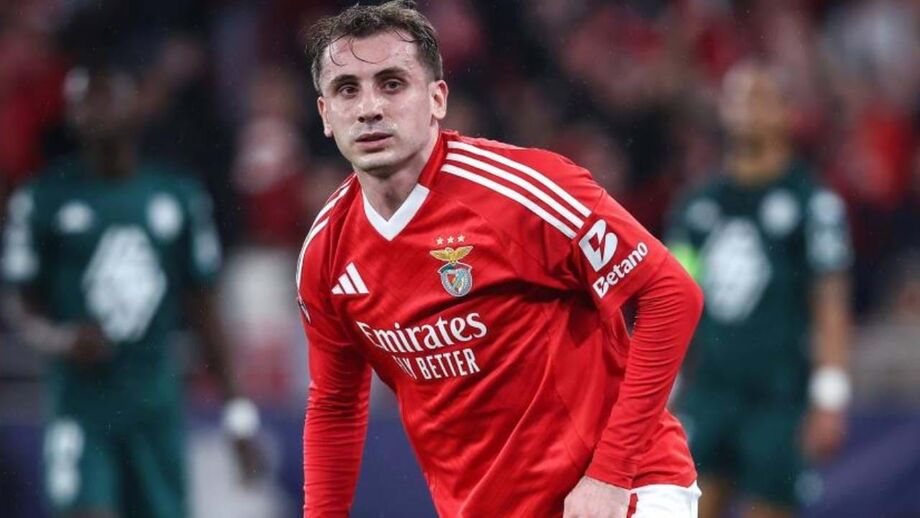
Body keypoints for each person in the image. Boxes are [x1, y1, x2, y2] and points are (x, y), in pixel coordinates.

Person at [296, 2, 704, 517]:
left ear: (437, 98)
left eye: (392, 84)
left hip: (622, 490)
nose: (369, 108)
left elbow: (672, 293)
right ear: (325, 115)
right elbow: (335, 405)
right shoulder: (326, 253)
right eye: (347, 89)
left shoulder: (524, 191)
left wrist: (610, 474)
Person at [0, 66, 262, 518]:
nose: (94, 111)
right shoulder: (42, 199)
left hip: (154, 402)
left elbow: (205, 312)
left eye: (105, 97)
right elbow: (20, 301)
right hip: (81, 402)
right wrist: (60, 338)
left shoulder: (178, 196)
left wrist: (238, 415)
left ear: (135, 107)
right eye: (83, 100)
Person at [667, 62, 853, 518]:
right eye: (736, 98)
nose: (745, 109)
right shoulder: (697, 205)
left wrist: (830, 396)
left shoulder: (813, 203)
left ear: (786, 113)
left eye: (759, 98)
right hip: (710, 391)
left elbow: (830, 302)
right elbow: (673, 300)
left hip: (779, 396)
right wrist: (662, 391)